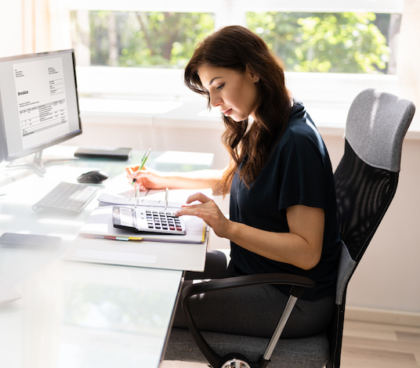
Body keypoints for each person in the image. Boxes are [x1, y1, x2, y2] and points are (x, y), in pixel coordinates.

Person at [127, 25, 341, 338]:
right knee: (153, 271)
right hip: (256, 273)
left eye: (219, 86)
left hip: (289, 300)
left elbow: (306, 252)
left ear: (253, 71)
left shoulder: (297, 143)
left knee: (150, 307)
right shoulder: (268, 119)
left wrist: (226, 227)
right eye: (208, 91)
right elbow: (234, 179)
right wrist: (163, 180)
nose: (214, 101)